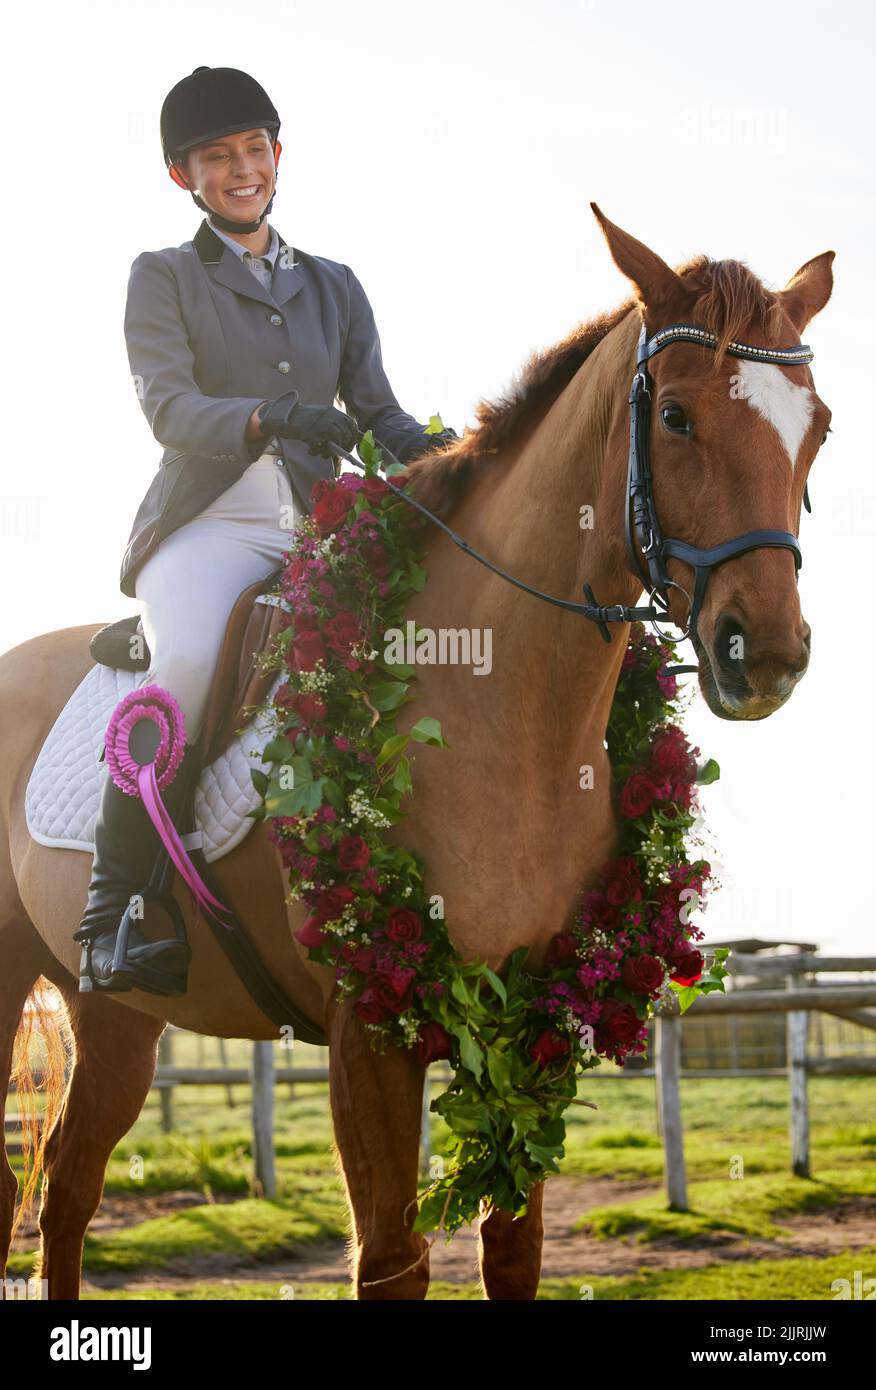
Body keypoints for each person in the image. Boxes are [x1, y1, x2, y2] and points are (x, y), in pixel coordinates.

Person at [75, 65, 457, 997]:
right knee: (191, 667)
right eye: (219, 157)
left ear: (278, 156)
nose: (242, 169)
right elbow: (170, 408)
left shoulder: (336, 284)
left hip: (320, 528)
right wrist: (271, 416)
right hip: (210, 525)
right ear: (185, 176)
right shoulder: (161, 277)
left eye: (255, 149)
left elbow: (378, 413)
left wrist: (448, 454)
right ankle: (111, 911)